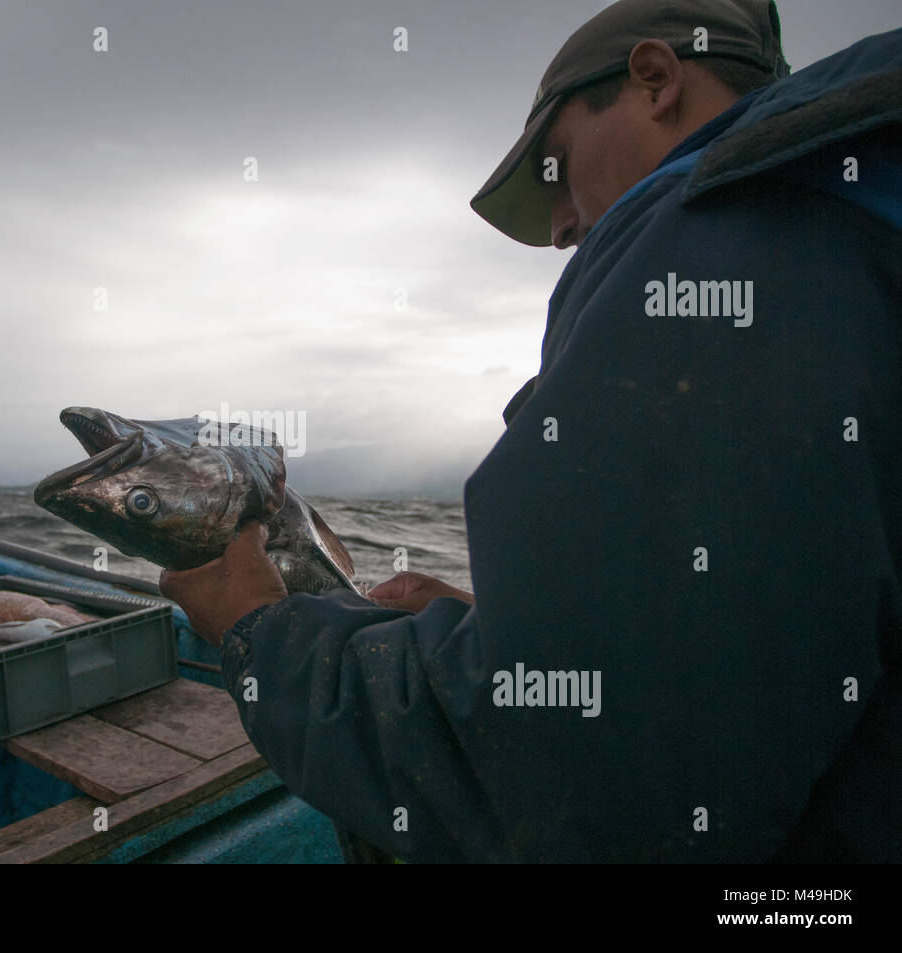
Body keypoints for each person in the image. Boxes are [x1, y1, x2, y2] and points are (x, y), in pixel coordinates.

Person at [160, 0, 902, 862]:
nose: (557, 231)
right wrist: (509, 633)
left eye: (554, 167)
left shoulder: (732, 250)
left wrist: (263, 632)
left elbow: (577, 789)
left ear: (656, 81)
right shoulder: (854, 225)